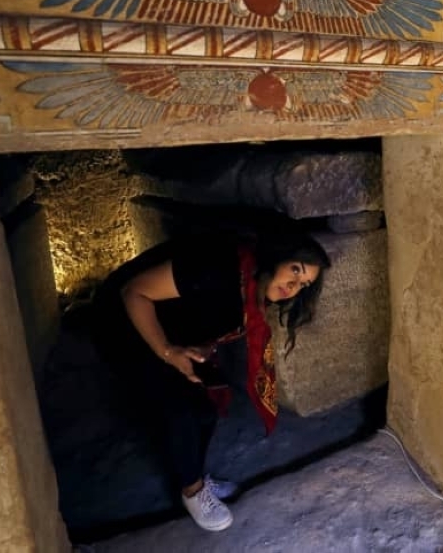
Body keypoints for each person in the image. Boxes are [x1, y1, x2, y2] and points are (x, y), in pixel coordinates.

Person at [92, 225, 332, 531]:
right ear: (277, 257)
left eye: (304, 283)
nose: (294, 286)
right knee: (180, 408)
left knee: (204, 410)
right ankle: (191, 492)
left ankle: (194, 478)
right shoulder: (217, 266)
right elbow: (134, 292)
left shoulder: (257, 286)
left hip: (166, 324)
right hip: (123, 320)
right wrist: (167, 352)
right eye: (294, 270)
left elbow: (212, 313)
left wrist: (202, 345)